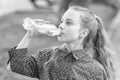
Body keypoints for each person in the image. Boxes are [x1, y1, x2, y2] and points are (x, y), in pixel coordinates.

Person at [7, 5, 116, 80]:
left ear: (83, 33)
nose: (61, 26)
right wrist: (29, 35)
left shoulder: (95, 69)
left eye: (69, 23)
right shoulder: (47, 56)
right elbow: (14, 66)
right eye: (62, 21)